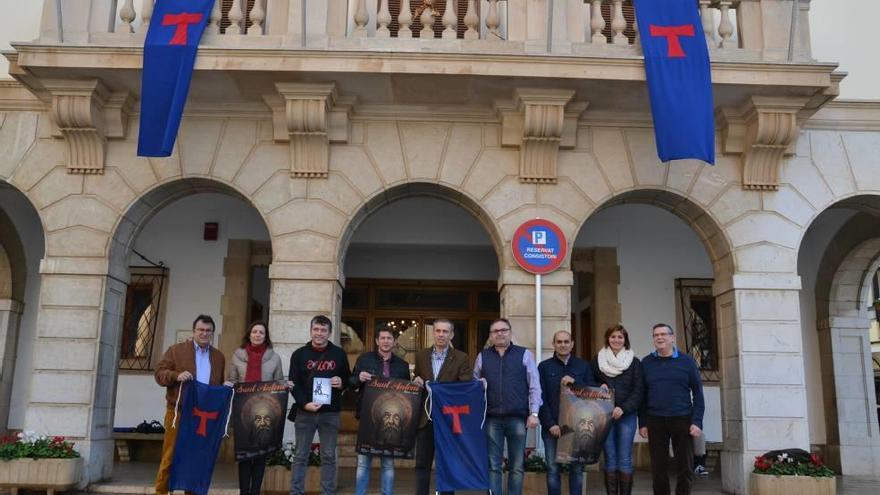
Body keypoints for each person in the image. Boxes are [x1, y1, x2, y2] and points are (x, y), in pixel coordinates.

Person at [153, 315, 226, 495]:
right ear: (194, 331)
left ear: (212, 333)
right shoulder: (176, 350)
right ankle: (161, 492)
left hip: (203, 416)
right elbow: (159, 374)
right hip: (178, 412)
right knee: (170, 456)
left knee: (197, 460)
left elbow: (219, 384)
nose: (204, 333)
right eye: (201, 330)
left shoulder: (218, 357)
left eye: (208, 331)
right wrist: (175, 376)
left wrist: (226, 388)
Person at [473, 318, 542, 495]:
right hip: (492, 418)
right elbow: (474, 386)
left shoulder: (524, 354)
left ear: (510, 332)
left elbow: (534, 385)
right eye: (495, 331)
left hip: (517, 418)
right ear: (491, 335)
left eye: (503, 330)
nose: (500, 333)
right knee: (493, 465)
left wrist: (534, 412)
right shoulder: (483, 356)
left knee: (517, 466)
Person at [288, 315, 352, 495]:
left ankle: (327, 492)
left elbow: (347, 379)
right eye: (316, 329)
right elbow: (294, 383)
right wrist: (304, 404)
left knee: (329, 456)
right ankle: (296, 492)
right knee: (300, 455)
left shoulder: (339, 354)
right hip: (305, 411)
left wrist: (341, 382)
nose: (319, 333)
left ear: (330, 333)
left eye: (323, 330)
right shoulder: (299, 354)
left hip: (330, 413)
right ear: (310, 331)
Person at [638, 323, 705, 495]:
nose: (659, 337)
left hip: (682, 418)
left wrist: (697, 421)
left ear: (672, 338)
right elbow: (642, 396)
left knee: (685, 467)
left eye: (663, 334)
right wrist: (643, 423)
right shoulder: (646, 362)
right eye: (655, 335)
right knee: (659, 468)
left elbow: (698, 393)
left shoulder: (687, 362)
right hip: (655, 419)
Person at [412, 318, 473, 495]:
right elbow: (418, 379)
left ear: (451, 334)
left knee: (447, 465)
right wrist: (416, 381)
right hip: (426, 419)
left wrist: (440, 389)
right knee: (422, 465)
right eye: (438, 331)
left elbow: (465, 386)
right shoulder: (421, 355)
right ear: (433, 333)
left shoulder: (462, 358)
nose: (441, 334)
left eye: (445, 331)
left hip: (449, 419)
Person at [224, 321, 285, 495]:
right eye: (255, 332)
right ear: (249, 334)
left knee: (260, 455)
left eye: (261, 333)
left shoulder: (274, 358)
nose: (257, 335)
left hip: (264, 412)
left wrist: (284, 385)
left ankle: (255, 491)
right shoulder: (237, 355)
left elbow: (278, 382)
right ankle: (244, 492)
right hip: (243, 411)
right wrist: (228, 383)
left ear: (266, 337)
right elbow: (233, 379)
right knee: (244, 456)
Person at [349, 327, 411, 495]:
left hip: (391, 420)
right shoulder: (364, 359)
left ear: (394, 341)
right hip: (367, 417)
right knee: (363, 462)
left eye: (389, 338)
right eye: (382, 338)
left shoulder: (402, 366)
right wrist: (358, 378)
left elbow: (407, 393)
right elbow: (351, 381)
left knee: (388, 463)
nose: (385, 341)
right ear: (377, 341)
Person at [538, 330, 596, 495]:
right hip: (552, 427)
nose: (563, 345)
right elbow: (540, 398)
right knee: (552, 469)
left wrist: (575, 382)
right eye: (559, 342)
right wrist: (550, 424)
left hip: (577, 427)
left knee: (576, 470)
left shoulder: (583, 366)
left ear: (572, 344)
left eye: (566, 342)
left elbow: (592, 394)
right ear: (554, 344)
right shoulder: (544, 367)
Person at [592, 324, 644, 495]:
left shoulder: (634, 362)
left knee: (625, 458)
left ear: (625, 340)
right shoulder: (597, 360)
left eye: (620, 337)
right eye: (613, 336)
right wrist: (599, 385)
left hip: (626, 416)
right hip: (605, 415)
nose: (616, 340)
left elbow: (639, 390)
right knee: (610, 458)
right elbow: (589, 383)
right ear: (608, 338)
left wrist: (623, 408)